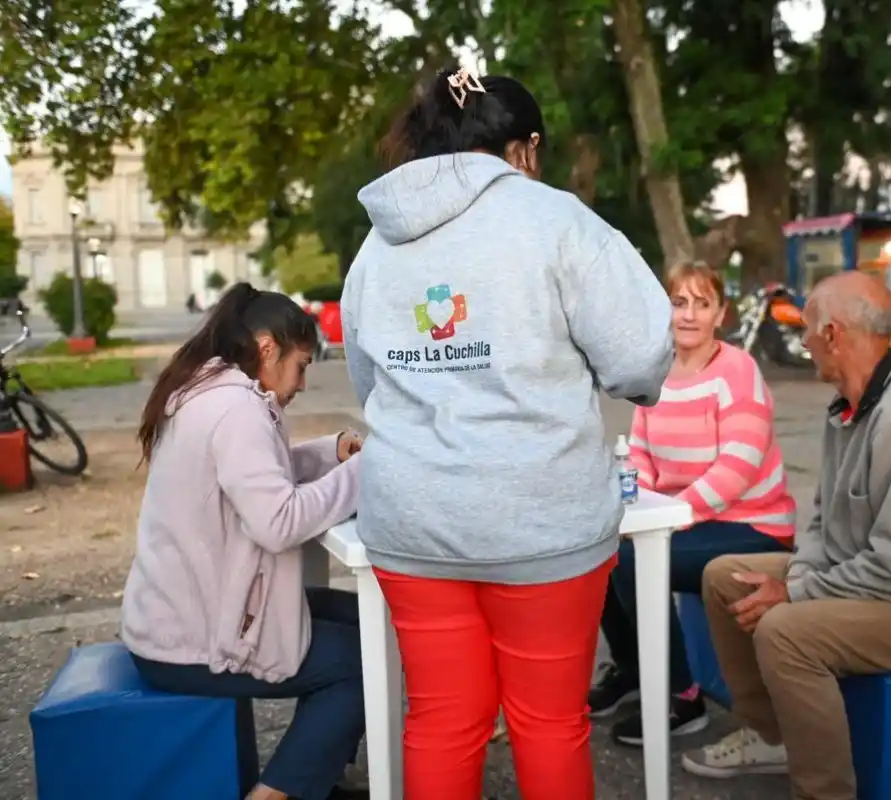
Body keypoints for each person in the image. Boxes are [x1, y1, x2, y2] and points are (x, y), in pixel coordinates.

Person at [340, 67, 673, 800]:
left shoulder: (375, 246)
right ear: (523, 149)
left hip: (413, 520)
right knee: (549, 722)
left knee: (441, 720)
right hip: (541, 519)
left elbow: (371, 383)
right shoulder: (558, 222)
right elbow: (638, 358)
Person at [683, 271, 891, 800]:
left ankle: (824, 791)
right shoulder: (849, 408)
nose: (804, 341)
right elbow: (820, 522)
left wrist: (795, 592)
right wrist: (802, 576)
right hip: (874, 581)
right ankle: (774, 737)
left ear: (833, 334)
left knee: (785, 631)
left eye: (808, 329)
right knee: (725, 577)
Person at [120, 283, 365, 800]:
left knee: (359, 620)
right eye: (301, 366)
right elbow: (277, 521)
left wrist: (332, 454)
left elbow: (254, 480)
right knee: (361, 659)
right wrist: (369, 472)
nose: (301, 384)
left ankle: (313, 775)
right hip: (191, 641)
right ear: (267, 347)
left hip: (186, 617)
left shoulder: (209, 391)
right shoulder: (235, 410)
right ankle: (278, 794)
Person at [589, 260, 797, 746]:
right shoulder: (657, 371)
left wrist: (667, 520)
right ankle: (635, 671)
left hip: (753, 524)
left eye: (701, 304)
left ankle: (683, 699)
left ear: (720, 314)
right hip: (684, 520)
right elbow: (638, 448)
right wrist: (636, 500)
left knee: (631, 561)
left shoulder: (737, 371)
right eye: (678, 301)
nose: (688, 315)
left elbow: (737, 467)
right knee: (596, 547)